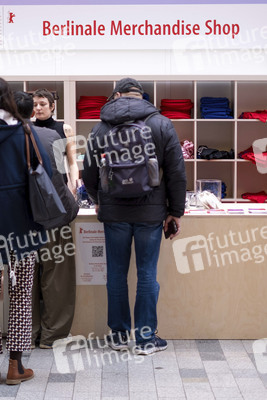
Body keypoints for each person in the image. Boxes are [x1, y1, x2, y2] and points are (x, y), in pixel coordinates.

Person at [82, 77, 186, 355]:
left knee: (116, 274)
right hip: (150, 213)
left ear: (115, 96)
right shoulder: (161, 123)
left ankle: (117, 336)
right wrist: (175, 211)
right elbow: (176, 172)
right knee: (147, 275)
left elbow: (89, 173)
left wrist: (97, 200)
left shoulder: (100, 127)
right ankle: (145, 339)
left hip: (114, 212)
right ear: (142, 96)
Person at [14, 91, 79, 350]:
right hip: (54, 217)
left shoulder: (6, 138)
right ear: (32, 110)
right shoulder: (52, 136)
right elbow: (59, 181)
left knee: (23, 279)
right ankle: (52, 336)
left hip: (19, 222)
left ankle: (26, 334)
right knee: (57, 277)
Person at [0, 78, 52, 384]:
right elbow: (41, 169)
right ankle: (15, 367)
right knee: (20, 294)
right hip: (21, 225)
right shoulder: (24, 131)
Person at [32, 88, 79, 196]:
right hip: (36, 188)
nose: (38, 108)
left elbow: (72, 163)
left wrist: (75, 188)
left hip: (59, 187)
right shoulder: (28, 130)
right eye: (35, 105)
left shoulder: (65, 129)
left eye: (42, 104)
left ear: (52, 106)